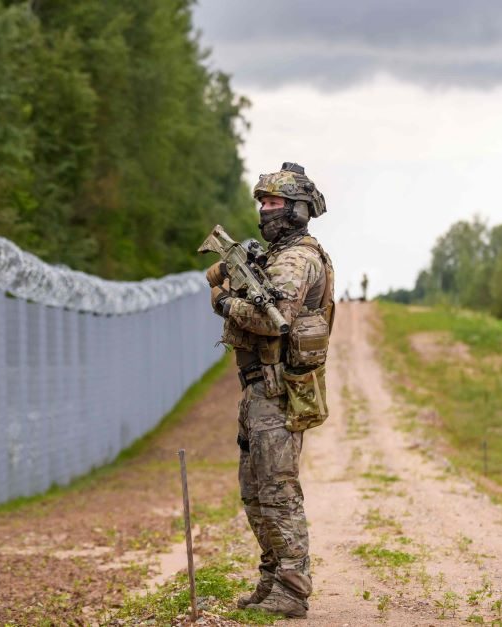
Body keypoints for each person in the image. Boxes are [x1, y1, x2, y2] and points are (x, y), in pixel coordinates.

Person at [208, 162, 334, 618]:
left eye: (275, 202)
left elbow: (269, 318)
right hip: (259, 389)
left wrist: (225, 301)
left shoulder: (298, 258)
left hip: (278, 390)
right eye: (262, 202)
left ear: (299, 209)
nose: (265, 209)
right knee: (254, 489)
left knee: (277, 490)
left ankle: (293, 587)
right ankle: (272, 578)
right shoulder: (275, 256)